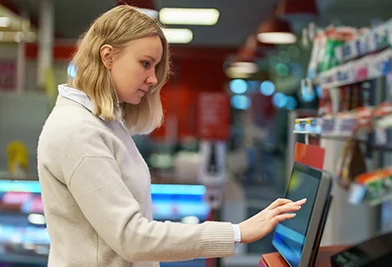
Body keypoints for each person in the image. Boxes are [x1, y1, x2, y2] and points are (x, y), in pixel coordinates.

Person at [37, 5, 306, 267]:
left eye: (155, 67)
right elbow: (132, 237)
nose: (153, 79)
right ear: (108, 57)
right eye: (145, 64)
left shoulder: (102, 123)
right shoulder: (78, 130)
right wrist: (236, 233)